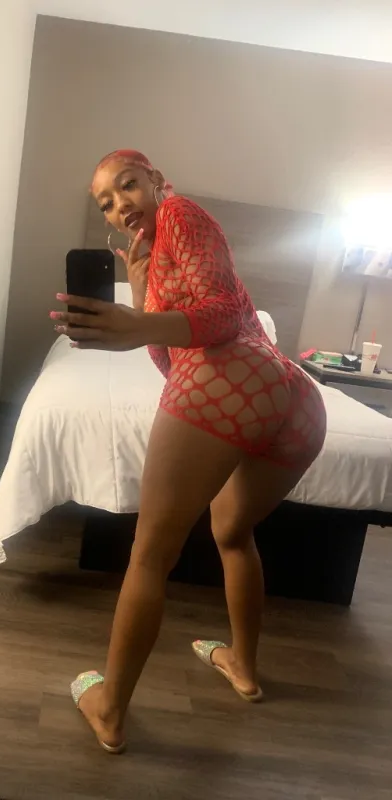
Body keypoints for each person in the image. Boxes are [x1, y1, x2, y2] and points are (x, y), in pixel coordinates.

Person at [50, 149, 326, 753]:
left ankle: (110, 709)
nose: (120, 204)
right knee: (232, 531)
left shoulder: (178, 211)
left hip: (233, 376)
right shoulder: (155, 254)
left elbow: (221, 316)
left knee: (150, 555)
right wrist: (142, 298)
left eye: (128, 185)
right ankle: (244, 666)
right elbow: (170, 361)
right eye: (106, 203)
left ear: (155, 180)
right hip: (293, 400)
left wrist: (138, 325)